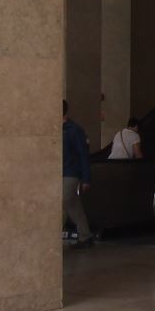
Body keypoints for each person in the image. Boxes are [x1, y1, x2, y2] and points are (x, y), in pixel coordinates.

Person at [62, 100, 95, 249]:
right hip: (60, 171)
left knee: (62, 200)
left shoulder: (74, 130)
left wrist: (86, 178)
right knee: (73, 205)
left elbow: (83, 154)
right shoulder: (55, 129)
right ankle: (85, 236)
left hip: (71, 172)